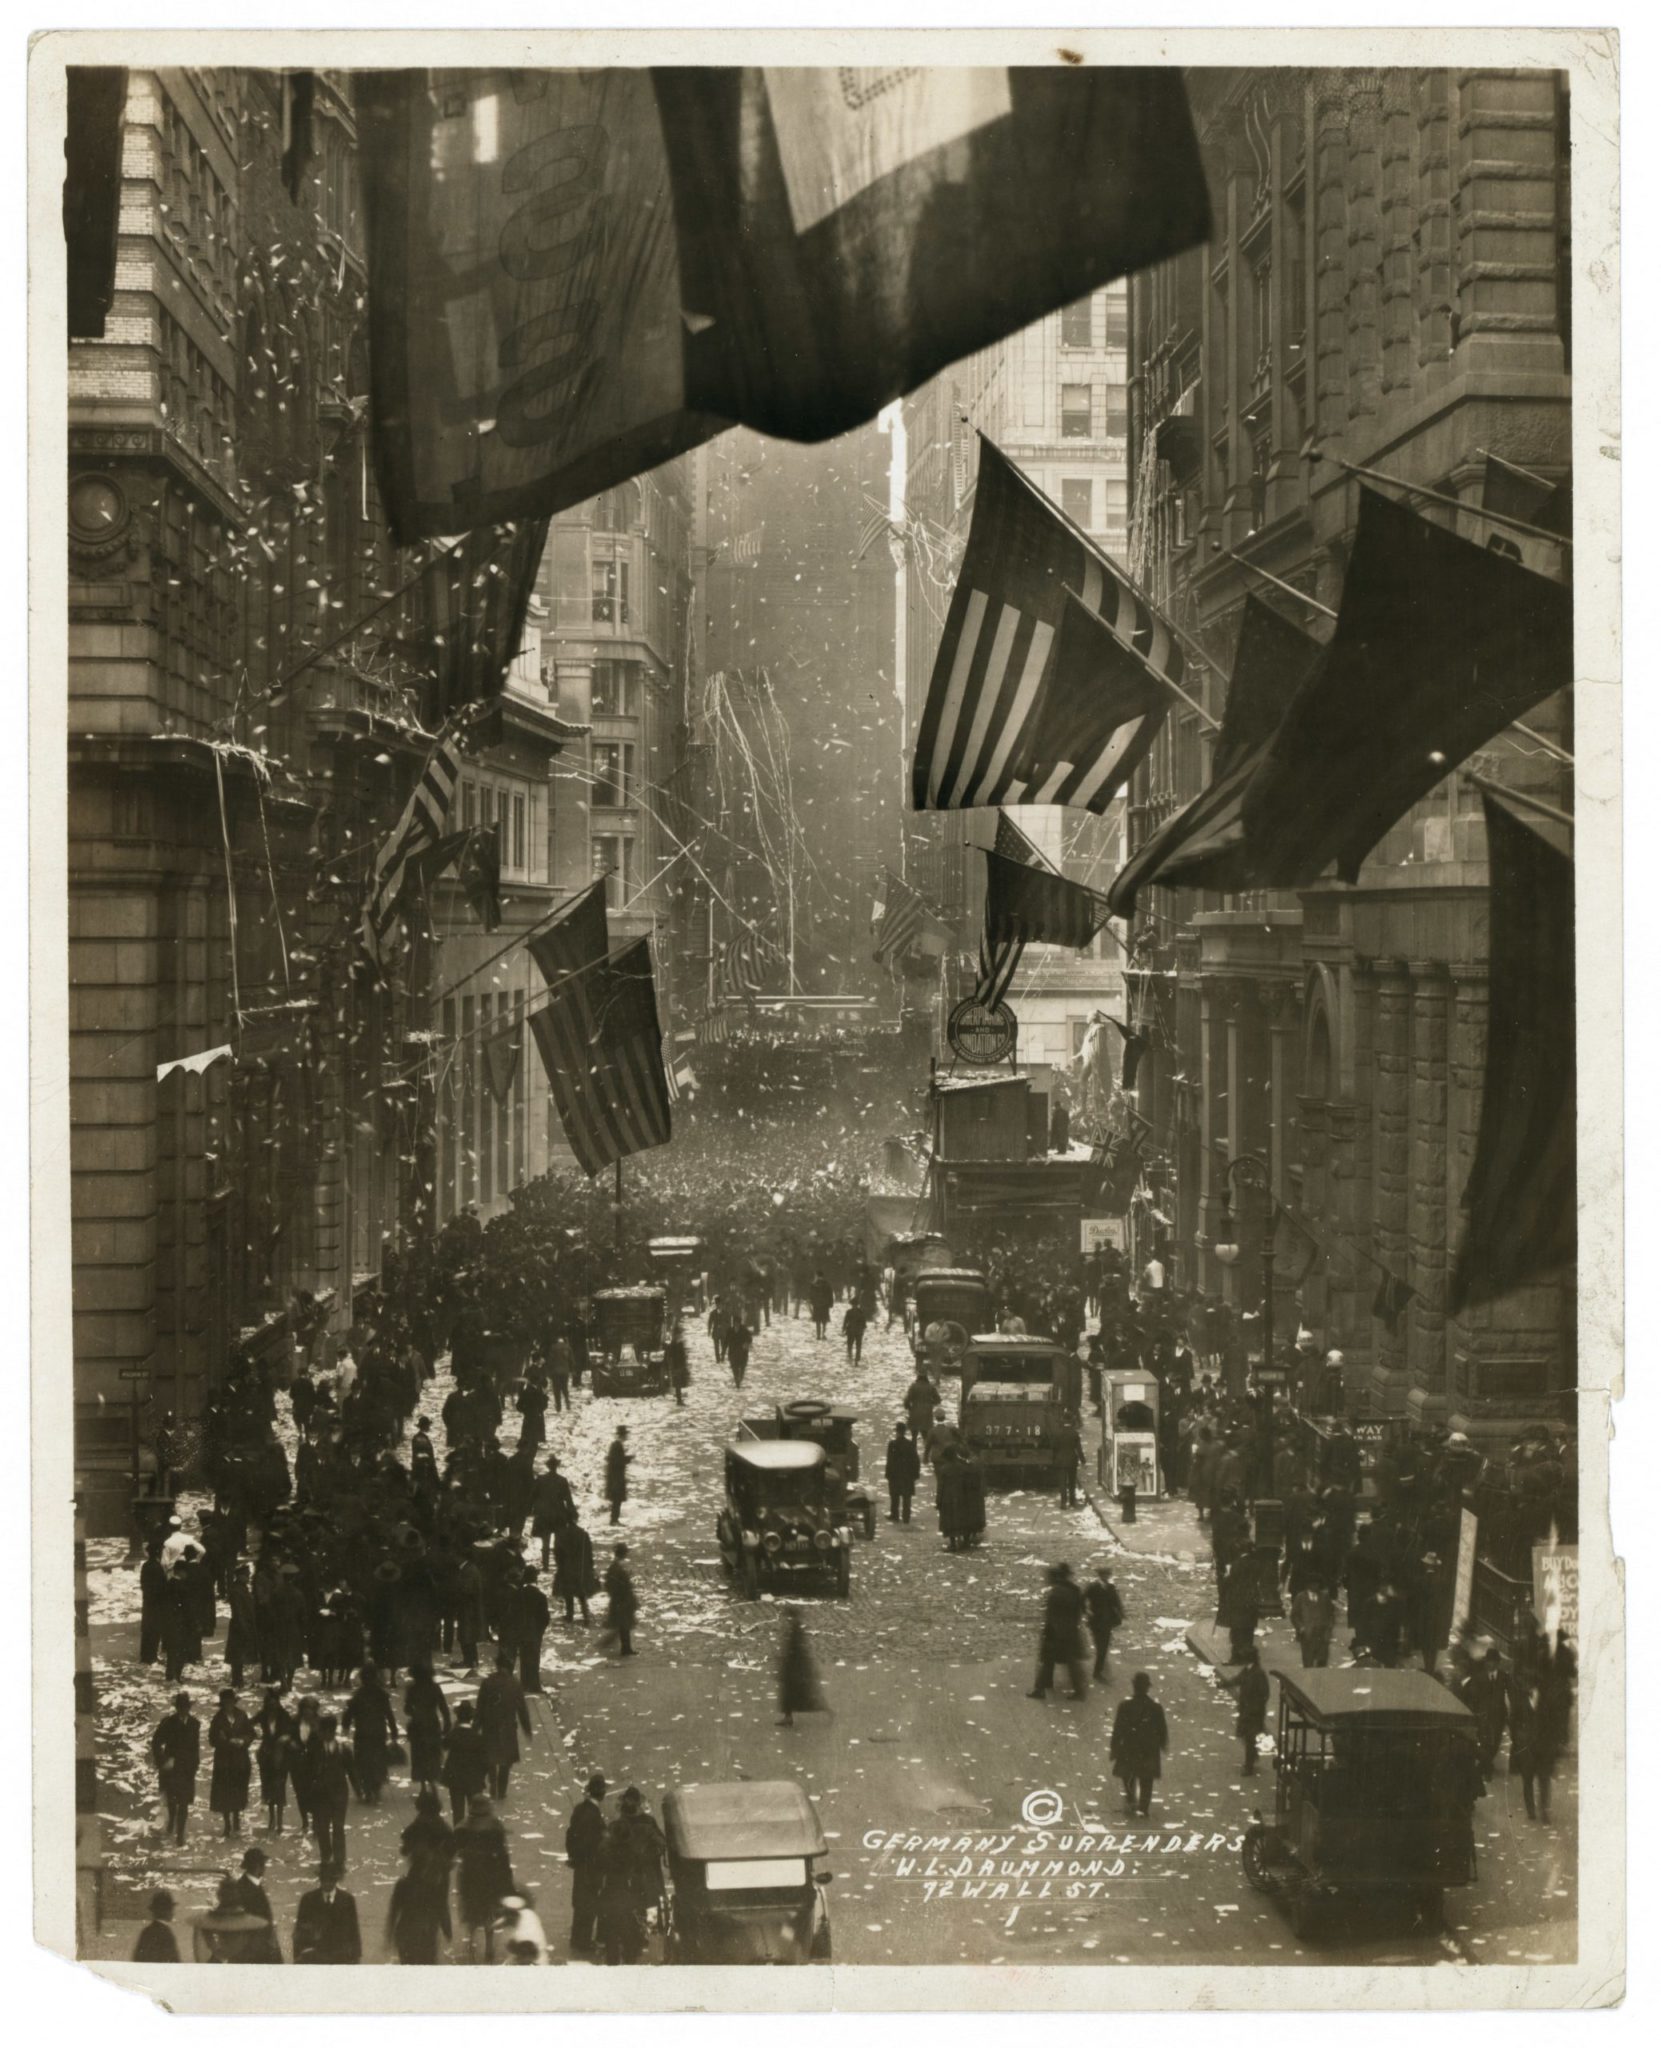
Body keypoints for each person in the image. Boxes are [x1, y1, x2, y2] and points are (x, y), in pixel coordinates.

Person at [598, 1787, 667, 1966]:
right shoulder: (648, 1823)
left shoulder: (615, 1826)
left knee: (623, 1911)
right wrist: (649, 1856)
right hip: (645, 1874)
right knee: (642, 1906)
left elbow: (603, 1851)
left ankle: (623, 1943)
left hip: (622, 1880)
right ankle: (638, 1937)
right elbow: (661, 1845)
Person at [454, 1793, 516, 1961]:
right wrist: (507, 1880)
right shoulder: (495, 1826)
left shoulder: (463, 1827)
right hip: (491, 1875)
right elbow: (503, 1855)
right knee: (489, 1910)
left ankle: (472, 1941)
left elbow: (454, 1847)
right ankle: (489, 1945)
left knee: (471, 1909)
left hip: (470, 1874)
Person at [1109, 1672, 1169, 1817]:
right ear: (1147, 1687)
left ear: (1134, 1686)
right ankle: (1144, 1806)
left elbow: (1118, 1729)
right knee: (1146, 1779)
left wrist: (1114, 1747)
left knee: (1128, 1774)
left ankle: (1131, 1797)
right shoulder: (1155, 1707)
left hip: (1130, 1746)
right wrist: (1162, 1743)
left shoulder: (1125, 1705)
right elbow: (1162, 1729)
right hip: (1148, 1748)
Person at [1028, 1563, 1088, 1702]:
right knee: (1070, 1662)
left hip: (1056, 1633)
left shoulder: (1056, 1593)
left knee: (1047, 1661)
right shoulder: (1075, 1590)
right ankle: (1077, 1690)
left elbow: (1051, 1615)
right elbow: (1081, 1610)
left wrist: (1049, 1631)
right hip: (1071, 1631)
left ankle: (1040, 1689)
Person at [478, 1653, 534, 1801]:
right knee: (506, 1760)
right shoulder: (514, 1684)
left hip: (489, 1726)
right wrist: (527, 1729)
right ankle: (502, 1791)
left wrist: (474, 1727)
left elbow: (480, 1708)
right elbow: (522, 1709)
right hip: (508, 1728)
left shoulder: (487, 1682)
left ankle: (493, 1783)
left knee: (490, 1757)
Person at [341, 1664, 399, 1805]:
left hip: (362, 1734)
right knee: (378, 1761)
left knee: (362, 1763)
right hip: (378, 1733)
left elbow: (348, 1716)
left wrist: (345, 1729)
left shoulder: (358, 1695)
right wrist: (394, 1731)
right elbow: (389, 1714)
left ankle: (367, 1791)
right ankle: (376, 1789)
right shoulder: (381, 1695)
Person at [565, 1774, 608, 1954]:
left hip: (580, 1864)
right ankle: (583, 1942)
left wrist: (573, 1856)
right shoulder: (594, 1816)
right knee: (589, 1903)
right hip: (591, 1867)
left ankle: (577, 1938)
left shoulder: (579, 1809)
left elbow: (570, 1835)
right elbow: (594, 1845)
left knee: (580, 1903)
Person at [151, 1692, 200, 1846]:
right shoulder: (168, 1723)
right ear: (177, 1708)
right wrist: (163, 1761)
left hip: (186, 1768)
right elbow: (156, 1742)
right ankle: (172, 1820)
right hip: (171, 1768)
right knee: (172, 1800)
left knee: (184, 1802)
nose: (183, 1710)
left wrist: (195, 1764)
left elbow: (195, 1747)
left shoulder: (194, 1724)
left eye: (185, 1707)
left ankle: (180, 1834)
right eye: (181, 1707)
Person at [292, 1858, 362, 1965]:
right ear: (320, 1879)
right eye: (324, 1879)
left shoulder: (347, 1900)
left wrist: (356, 1957)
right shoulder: (308, 1900)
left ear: (336, 1881)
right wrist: (298, 1956)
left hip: (341, 1958)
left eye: (331, 1880)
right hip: (315, 1958)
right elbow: (299, 1930)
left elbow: (354, 1932)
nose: (327, 1883)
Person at [208, 1687, 255, 1837]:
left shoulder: (242, 1715)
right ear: (222, 1704)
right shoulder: (217, 1719)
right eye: (225, 1703)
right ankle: (227, 1824)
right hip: (224, 1760)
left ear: (234, 1702)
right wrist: (227, 1742)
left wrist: (243, 1741)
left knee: (238, 1789)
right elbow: (212, 1740)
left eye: (230, 1702)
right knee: (224, 1792)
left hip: (240, 1759)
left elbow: (251, 1733)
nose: (228, 1705)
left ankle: (236, 1820)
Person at [309, 1713, 354, 1870]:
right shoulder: (314, 1750)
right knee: (322, 1828)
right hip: (321, 1796)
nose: (319, 1734)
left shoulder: (343, 1750)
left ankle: (339, 1861)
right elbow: (308, 1774)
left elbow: (352, 1771)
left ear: (329, 1731)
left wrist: (359, 1790)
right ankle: (326, 1858)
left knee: (338, 1827)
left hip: (339, 1795)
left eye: (322, 1731)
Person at [404, 1663, 452, 1798]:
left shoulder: (412, 1688)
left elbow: (407, 1709)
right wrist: (447, 1724)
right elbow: (443, 1707)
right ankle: (432, 1780)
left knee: (419, 1755)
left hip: (417, 1726)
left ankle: (423, 1786)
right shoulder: (435, 1688)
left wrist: (415, 1712)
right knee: (433, 1754)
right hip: (432, 1724)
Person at [1222, 1645, 1271, 1775]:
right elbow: (1238, 1680)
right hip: (1246, 1710)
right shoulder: (1248, 1670)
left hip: (1254, 1712)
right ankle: (1253, 1756)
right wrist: (1223, 1684)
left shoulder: (1258, 1673)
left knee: (1249, 1737)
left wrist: (1256, 1706)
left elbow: (1265, 1693)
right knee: (1245, 1735)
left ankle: (1249, 1767)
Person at [231, 1844, 284, 1963]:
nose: (264, 1868)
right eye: (263, 1865)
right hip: (256, 1947)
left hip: (258, 1944)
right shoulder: (247, 1888)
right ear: (257, 1867)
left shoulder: (247, 1884)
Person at [441, 1699, 490, 1826]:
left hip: (455, 1779)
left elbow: (444, 1745)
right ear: (470, 1718)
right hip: (473, 1780)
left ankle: (458, 1838)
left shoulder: (454, 1734)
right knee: (474, 1813)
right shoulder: (478, 1737)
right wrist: (482, 1776)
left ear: (458, 1717)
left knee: (458, 1813)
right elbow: (485, 1761)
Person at [777, 1606, 827, 1728]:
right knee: (789, 1693)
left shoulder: (795, 1628)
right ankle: (788, 1717)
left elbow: (795, 1649)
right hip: (793, 1666)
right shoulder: (795, 1627)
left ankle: (789, 1717)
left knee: (791, 1693)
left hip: (793, 1667)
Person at [531, 1455, 577, 1569]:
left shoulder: (540, 1480)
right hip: (559, 1515)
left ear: (548, 1466)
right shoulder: (562, 1480)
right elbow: (568, 1500)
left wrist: (533, 1510)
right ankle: (559, 1563)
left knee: (545, 1542)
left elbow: (533, 1497)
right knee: (558, 1541)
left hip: (544, 1515)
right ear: (557, 1466)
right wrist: (573, 1513)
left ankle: (545, 1565)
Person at [1083, 1565, 1125, 1683]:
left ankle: (1098, 1670)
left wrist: (1121, 1613)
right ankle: (1098, 1671)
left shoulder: (1111, 1588)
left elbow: (1116, 1602)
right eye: (1104, 1575)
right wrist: (1086, 1612)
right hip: (1095, 1621)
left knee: (1103, 1647)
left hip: (1107, 1622)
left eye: (1108, 1575)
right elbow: (1082, 1600)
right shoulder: (1093, 1587)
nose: (1107, 1577)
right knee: (1101, 1647)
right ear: (1100, 1576)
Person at [554, 1514, 598, 1624]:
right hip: (580, 1568)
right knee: (581, 1593)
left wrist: (560, 1565)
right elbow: (589, 1553)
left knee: (568, 1592)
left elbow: (557, 1553)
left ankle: (570, 1615)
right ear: (575, 1519)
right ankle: (586, 1616)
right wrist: (590, 1566)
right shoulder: (583, 1534)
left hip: (566, 1567)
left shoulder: (561, 1534)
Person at [513, 1568, 551, 1695]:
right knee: (534, 1659)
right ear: (535, 1579)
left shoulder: (519, 1593)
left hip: (521, 1631)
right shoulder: (540, 1596)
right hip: (534, 1632)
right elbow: (545, 1618)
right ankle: (534, 1685)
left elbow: (515, 1613)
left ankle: (524, 1684)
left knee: (524, 1658)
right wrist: (540, 1630)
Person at [1290, 1582, 1336, 1670]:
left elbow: (1331, 1614)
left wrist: (1329, 1628)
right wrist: (1300, 1627)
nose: (1315, 1586)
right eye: (1313, 1583)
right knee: (1308, 1663)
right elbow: (1294, 1615)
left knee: (1322, 1662)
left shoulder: (1324, 1597)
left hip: (1322, 1635)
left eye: (1317, 1583)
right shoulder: (1300, 1597)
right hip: (1307, 1636)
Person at [603, 1544, 638, 1658]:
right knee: (624, 1625)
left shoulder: (615, 1566)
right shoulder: (618, 1567)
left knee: (623, 1624)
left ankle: (625, 1647)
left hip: (619, 1599)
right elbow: (621, 1585)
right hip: (622, 1599)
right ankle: (625, 1648)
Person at [132, 1889, 180, 1963]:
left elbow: (137, 1959)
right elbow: (173, 1961)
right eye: (170, 1909)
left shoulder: (146, 1931)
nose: (172, 1913)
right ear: (165, 1911)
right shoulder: (166, 1933)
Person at [885, 1423, 919, 1524]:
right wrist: (915, 1474)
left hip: (895, 1474)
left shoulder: (892, 1444)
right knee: (907, 1496)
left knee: (894, 1495)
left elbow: (890, 1460)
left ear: (897, 1432)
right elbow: (915, 1460)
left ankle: (894, 1515)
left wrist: (888, 1473)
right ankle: (906, 1517)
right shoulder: (910, 1444)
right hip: (907, 1474)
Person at [605, 1427, 632, 1527]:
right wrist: (627, 1459)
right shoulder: (617, 1446)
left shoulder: (616, 1445)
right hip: (616, 1478)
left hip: (615, 1477)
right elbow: (617, 1462)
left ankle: (614, 1519)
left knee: (617, 1500)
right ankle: (614, 1520)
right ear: (623, 1435)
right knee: (617, 1500)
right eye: (625, 1434)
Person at [1058, 1416, 1084, 1510]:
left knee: (1062, 1482)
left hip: (1061, 1460)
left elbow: (1054, 1446)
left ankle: (1063, 1502)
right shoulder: (1074, 1434)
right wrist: (1083, 1460)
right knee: (1072, 1482)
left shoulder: (1059, 1433)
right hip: (1072, 1460)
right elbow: (1079, 1449)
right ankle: (1072, 1501)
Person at [666, 1322, 690, 1406]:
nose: (680, 1335)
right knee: (678, 1383)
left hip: (678, 1365)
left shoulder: (677, 1343)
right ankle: (679, 1400)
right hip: (677, 1366)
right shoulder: (676, 1344)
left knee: (678, 1383)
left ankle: (679, 1400)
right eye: (679, 1334)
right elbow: (672, 1355)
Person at [807, 1270, 834, 1341]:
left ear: (817, 1275)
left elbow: (811, 1294)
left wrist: (811, 1301)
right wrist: (831, 1303)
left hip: (817, 1305)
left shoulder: (814, 1284)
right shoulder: (827, 1284)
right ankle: (823, 1334)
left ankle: (818, 1335)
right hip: (825, 1304)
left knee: (817, 1320)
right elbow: (830, 1294)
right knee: (824, 1320)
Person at [727, 1319, 754, 1388]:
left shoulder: (744, 1330)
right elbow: (726, 1341)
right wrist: (724, 1351)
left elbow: (749, 1338)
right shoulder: (730, 1330)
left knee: (742, 1367)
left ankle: (740, 1377)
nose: (736, 1325)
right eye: (735, 1323)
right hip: (733, 1352)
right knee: (734, 1367)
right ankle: (737, 1380)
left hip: (742, 1353)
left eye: (737, 1323)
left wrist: (746, 1343)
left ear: (739, 1323)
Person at [842, 1300, 868, 1366]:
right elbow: (864, 1322)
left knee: (851, 1343)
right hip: (858, 1331)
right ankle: (856, 1358)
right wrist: (863, 1328)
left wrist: (844, 1328)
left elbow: (845, 1321)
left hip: (851, 1330)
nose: (854, 1306)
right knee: (857, 1345)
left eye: (855, 1305)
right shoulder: (861, 1312)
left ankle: (853, 1356)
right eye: (854, 1305)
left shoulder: (849, 1312)